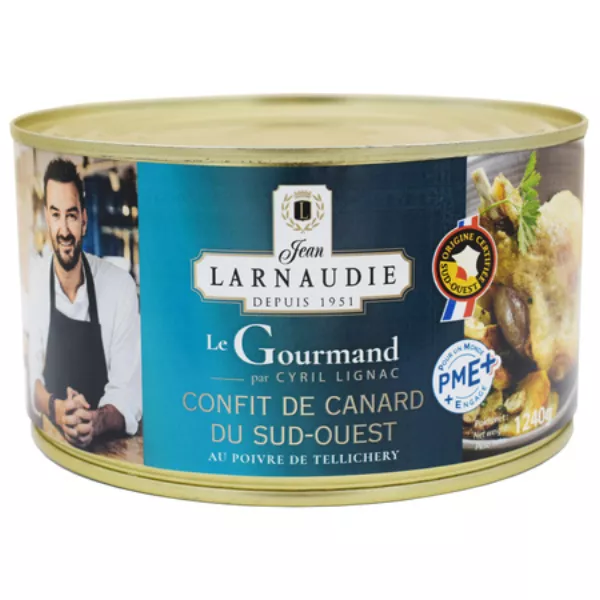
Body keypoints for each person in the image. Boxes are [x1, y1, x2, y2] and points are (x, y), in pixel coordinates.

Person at [28, 158, 142, 448]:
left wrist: (96, 419)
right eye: (56, 215)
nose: (64, 230)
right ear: (47, 218)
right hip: (53, 441)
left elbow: (128, 393)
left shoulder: (119, 287)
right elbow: (31, 377)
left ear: (84, 219)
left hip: (111, 449)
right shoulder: (36, 280)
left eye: (71, 215)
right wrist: (56, 408)